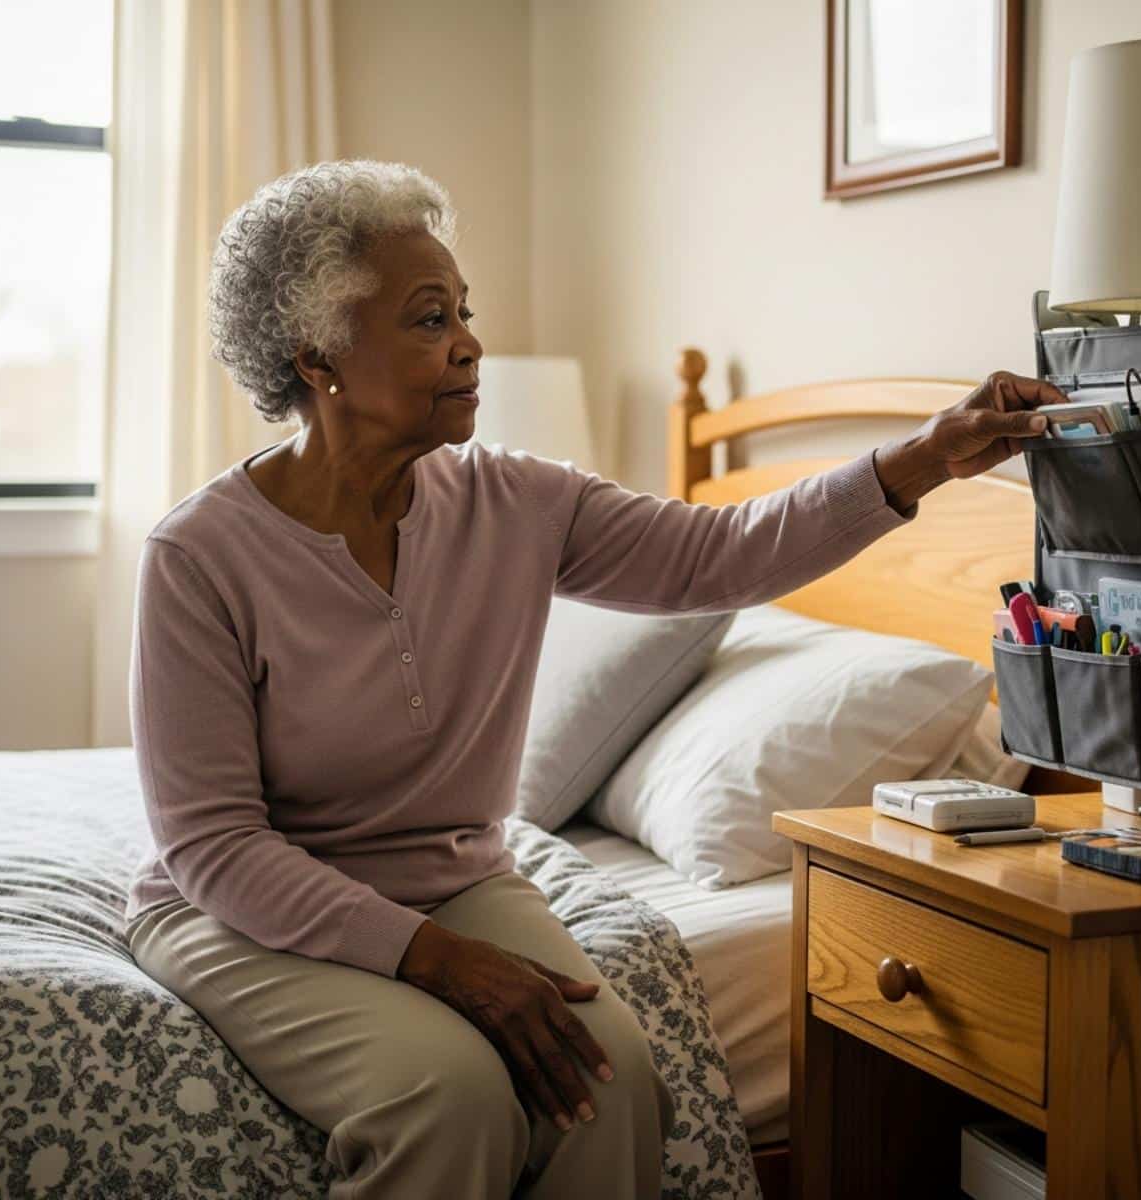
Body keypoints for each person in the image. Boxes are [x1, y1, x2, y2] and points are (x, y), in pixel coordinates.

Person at [122, 159, 1068, 1200]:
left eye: (464, 312)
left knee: (606, 1085)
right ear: (318, 357)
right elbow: (212, 845)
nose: (471, 343)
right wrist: (434, 959)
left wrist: (930, 454)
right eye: (429, 319)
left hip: (453, 878)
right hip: (245, 913)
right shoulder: (199, 556)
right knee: (446, 1096)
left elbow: (726, 555)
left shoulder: (518, 503)